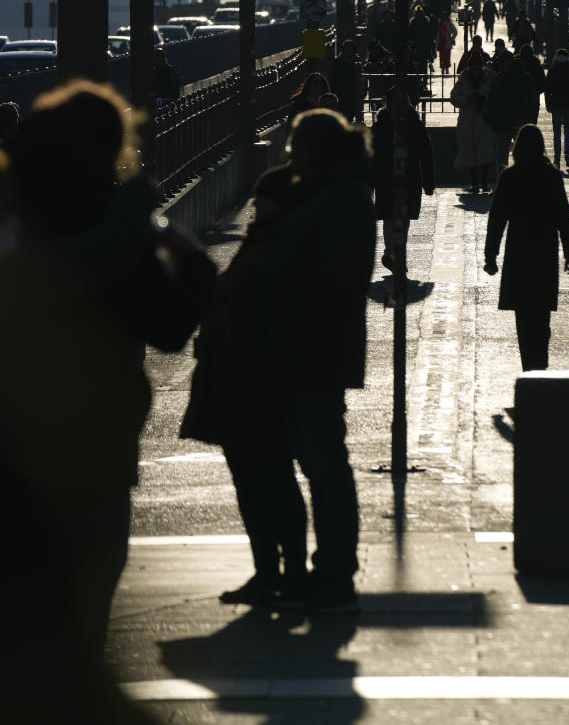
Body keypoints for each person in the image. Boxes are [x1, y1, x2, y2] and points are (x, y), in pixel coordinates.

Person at [0, 81, 216, 684]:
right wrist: (191, 261)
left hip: (12, 442)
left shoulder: (12, 213)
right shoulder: (112, 222)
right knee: (85, 607)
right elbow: (170, 325)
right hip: (94, 444)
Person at [181, 109, 376, 611]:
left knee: (324, 464)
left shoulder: (337, 198)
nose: (292, 160)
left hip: (311, 353)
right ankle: (324, 571)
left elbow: (314, 278)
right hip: (306, 351)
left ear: (314, 149)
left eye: (296, 150)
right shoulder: (336, 195)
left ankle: (333, 574)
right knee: (318, 463)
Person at [483, 124, 569, 370]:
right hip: (544, 252)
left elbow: (497, 219)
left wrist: (490, 255)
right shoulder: (552, 176)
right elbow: (564, 218)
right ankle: (541, 366)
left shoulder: (511, 177)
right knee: (541, 316)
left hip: (519, 253)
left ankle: (529, 367)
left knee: (524, 318)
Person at [372, 85, 435, 269]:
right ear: (389, 103)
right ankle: (391, 252)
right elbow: (371, 155)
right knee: (390, 216)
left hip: (409, 176)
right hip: (386, 177)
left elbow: (426, 153)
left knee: (403, 216)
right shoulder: (381, 125)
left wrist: (429, 181)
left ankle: (395, 252)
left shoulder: (415, 125)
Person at [484, 50, 539, 177]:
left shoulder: (524, 78)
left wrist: (526, 120)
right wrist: (491, 120)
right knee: (501, 158)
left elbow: (531, 102)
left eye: (503, 62)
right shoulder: (498, 79)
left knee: (522, 157)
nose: (501, 65)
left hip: (520, 125)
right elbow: (491, 102)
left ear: (511, 62)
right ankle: (503, 185)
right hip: (501, 125)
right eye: (500, 63)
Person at [450, 51, 497, 193]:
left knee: (485, 151)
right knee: (469, 152)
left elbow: (496, 96)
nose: (476, 70)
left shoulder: (490, 78)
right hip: (468, 122)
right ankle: (474, 181)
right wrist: (467, 98)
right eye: (473, 67)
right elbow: (454, 98)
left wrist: (485, 98)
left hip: (485, 121)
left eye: (478, 67)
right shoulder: (463, 80)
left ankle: (484, 181)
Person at [544, 46, 569, 169]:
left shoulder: (552, 71)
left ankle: (556, 159)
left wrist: (548, 104)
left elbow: (547, 90)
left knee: (556, 133)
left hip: (556, 105)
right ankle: (567, 154)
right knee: (568, 131)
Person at [328, 39, 366, 123]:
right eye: (346, 47)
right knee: (343, 110)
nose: (348, 49)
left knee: (351, 110)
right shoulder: (339, 61)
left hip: (353, 90)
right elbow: (333, 76)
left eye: (350, 47)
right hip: (341, 90)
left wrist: (364, 89)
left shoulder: (357, 61)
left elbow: (363, 77)